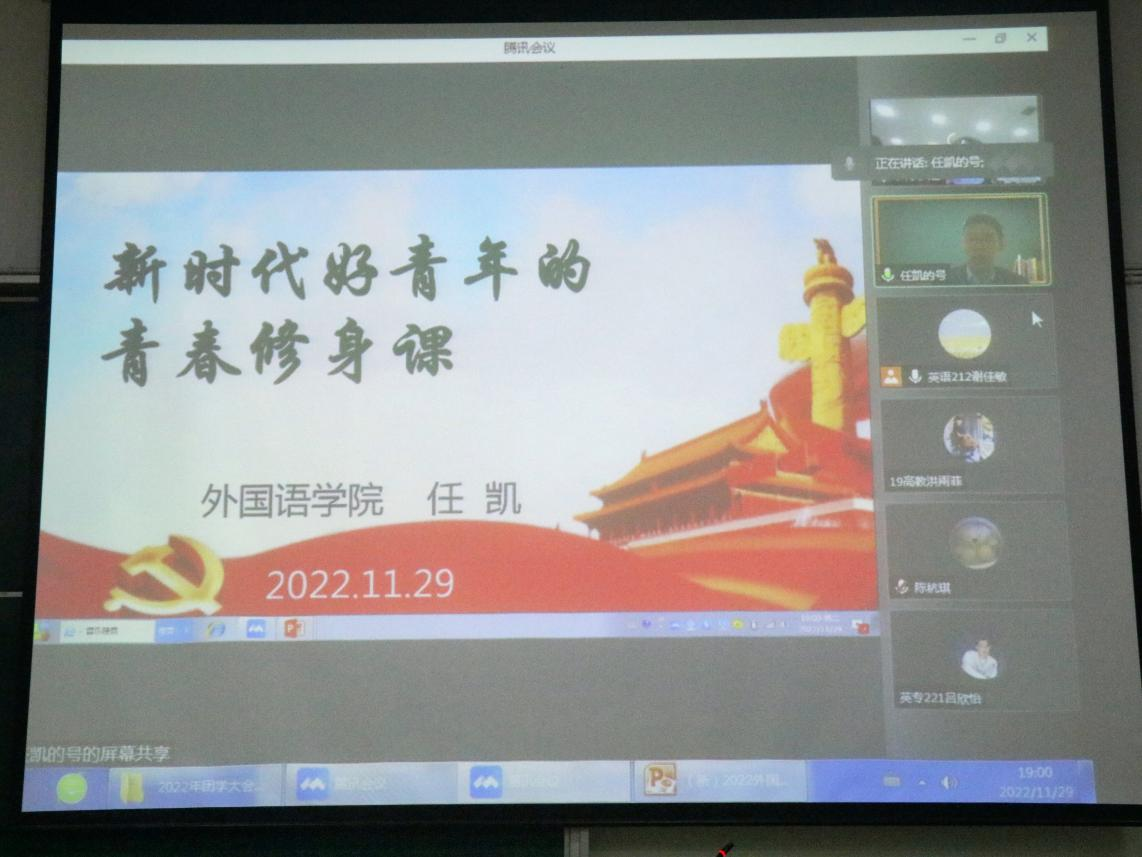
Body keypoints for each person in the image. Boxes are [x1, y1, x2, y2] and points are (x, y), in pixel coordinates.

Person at [946, 214, 1028, 285]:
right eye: (972, 239)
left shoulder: (1017, 282)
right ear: (963, 243)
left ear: (1001, 244)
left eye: (988, 239)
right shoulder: (945, 279)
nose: (979, 246)